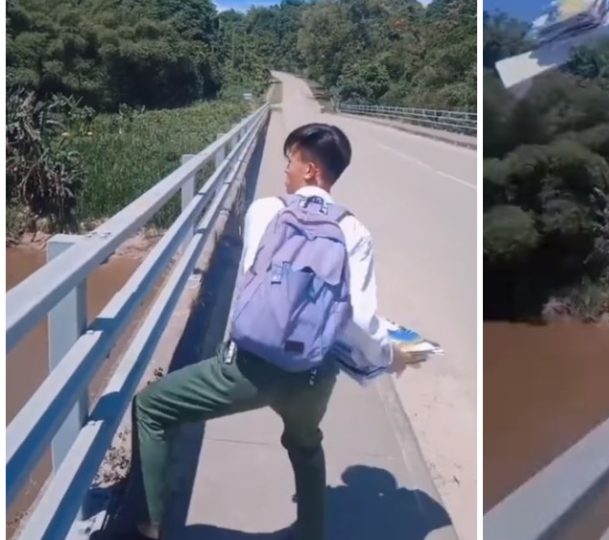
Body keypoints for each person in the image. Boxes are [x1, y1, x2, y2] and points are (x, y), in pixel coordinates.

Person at [129, 123, 412, 540]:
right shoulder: (356, 232)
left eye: (290, 162)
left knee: (152, 408)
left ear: (311, 169)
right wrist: (390, 358)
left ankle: (148, 526)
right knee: (306, 445)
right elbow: (362, 322)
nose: (285, 172)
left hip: (248, 370)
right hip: (312, 377)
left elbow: (251, 289)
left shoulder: (265, 211)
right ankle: (312, 534)